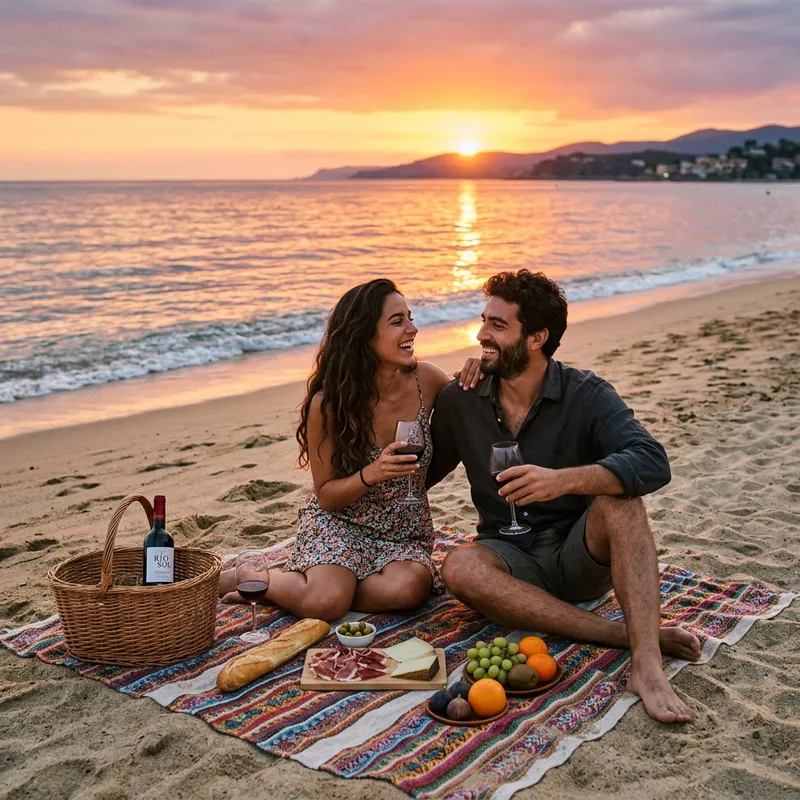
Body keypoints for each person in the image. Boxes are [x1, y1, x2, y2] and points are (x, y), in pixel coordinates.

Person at [426, 269, 702, 724]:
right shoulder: (463, 398)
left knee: (622, 501)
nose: (481, 334)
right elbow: (424, 475)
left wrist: (565, 480)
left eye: (497, 325)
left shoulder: (586, 394)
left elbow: (652, 461)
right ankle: (627, 636)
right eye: (484, 321)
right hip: (509, 558)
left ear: (536, 338)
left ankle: (647, 666)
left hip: (579, 556)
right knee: (459, 565)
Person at [220, 278, 481, 621]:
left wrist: (478, 370)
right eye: (397, 321)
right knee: (325, 604)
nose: (413, 329)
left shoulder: (427, 380)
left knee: (408, 590)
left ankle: (316, 584)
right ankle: (254, 578)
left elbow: (468, 409)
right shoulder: (328, 405)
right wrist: (371, 474)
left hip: (403, 532)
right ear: (364, 334)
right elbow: (326, 496)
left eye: (410, 317)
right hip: (341, 523)